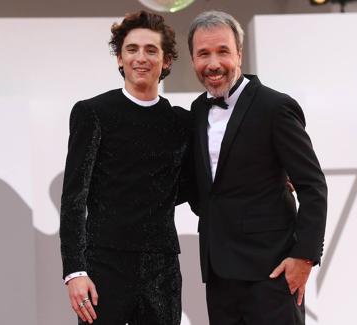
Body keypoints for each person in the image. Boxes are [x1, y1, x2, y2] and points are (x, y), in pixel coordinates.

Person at [187, 10, 328, 325]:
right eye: (203, 54)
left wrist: (304, 257)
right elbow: (203, 189)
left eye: (223, 51)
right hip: (219, 275)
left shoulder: (275, 107)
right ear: (193, 59)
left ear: (239, 53)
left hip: (272, 271)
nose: (213, 63)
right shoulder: (196, 112)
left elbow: (312, 185)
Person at [59, 10, 191, 325]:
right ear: (120, 59)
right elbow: (74, 199)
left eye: (151, 50)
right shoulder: (93, 112)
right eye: (131, 49)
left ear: (167, 61)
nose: (140, 58)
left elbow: (196, 183)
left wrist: (271, 177)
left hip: (162, 269)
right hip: (104, 266)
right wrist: (75, 271)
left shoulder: (181, 122)